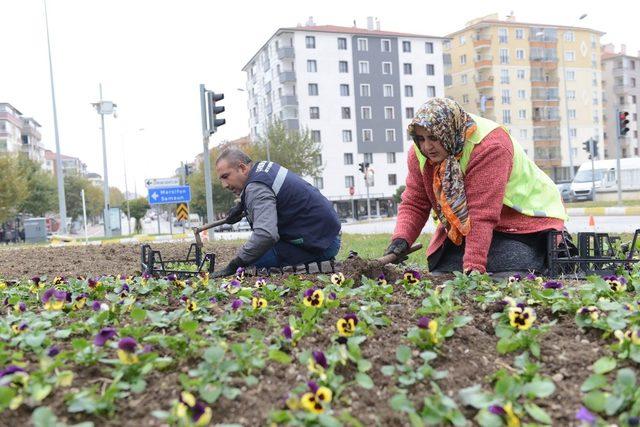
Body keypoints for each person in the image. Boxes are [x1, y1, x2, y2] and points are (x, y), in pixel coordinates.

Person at [385, 98, 567, 274]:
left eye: (433, 137)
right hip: (478, 225)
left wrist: (474, 266)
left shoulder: (490, 146)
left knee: (512, 262)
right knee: (440, 262)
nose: (427, 146)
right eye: (421, 138)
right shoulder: (420, 153)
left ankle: (551, 249)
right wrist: (401, 239)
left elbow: (481, 213)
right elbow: (415, 202)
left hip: (525, 220)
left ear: (448, 131)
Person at [211, 148, 341, 277]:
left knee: (253, 260)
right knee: (253, 252)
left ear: (243, 168)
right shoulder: (263, 168)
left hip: (322, 244)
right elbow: (274, 194)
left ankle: (318, 260)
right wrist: (241, 207)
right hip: (327, 234)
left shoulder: (256, 188)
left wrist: (234, 264)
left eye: (226, 176)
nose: (224, 185)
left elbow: (265, 235)